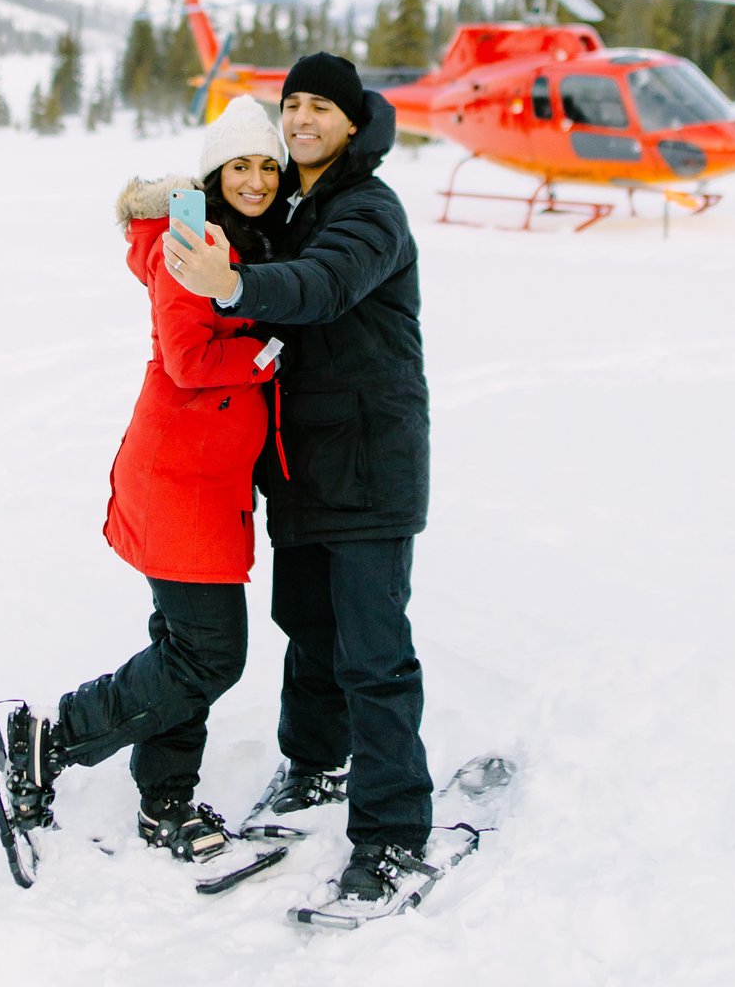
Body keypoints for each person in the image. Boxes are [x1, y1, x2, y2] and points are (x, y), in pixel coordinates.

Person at [166, 51, 434, 915]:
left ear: (353, 122)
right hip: (303, 466)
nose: (303, 119)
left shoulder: (368, 211)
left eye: (322, 106)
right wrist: (155, 206)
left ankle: (392, 839)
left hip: (369, 462)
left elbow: (322, 286)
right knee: (309, 629)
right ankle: (314, 767)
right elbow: (213, 207)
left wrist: (238, 285)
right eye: (294, 105)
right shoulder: (290, 205)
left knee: (372, 653)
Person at [2, 95, 290, 863]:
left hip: (203, 480)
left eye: (269, 164)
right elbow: (190, 359)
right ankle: (52, 737)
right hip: (179, 480)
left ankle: (166, 797)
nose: (257, 179)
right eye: (241, 165)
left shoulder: (241, 238)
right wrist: (268, 354)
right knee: (209, 654)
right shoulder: (190, 242)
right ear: (214, 172)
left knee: (182, 649)